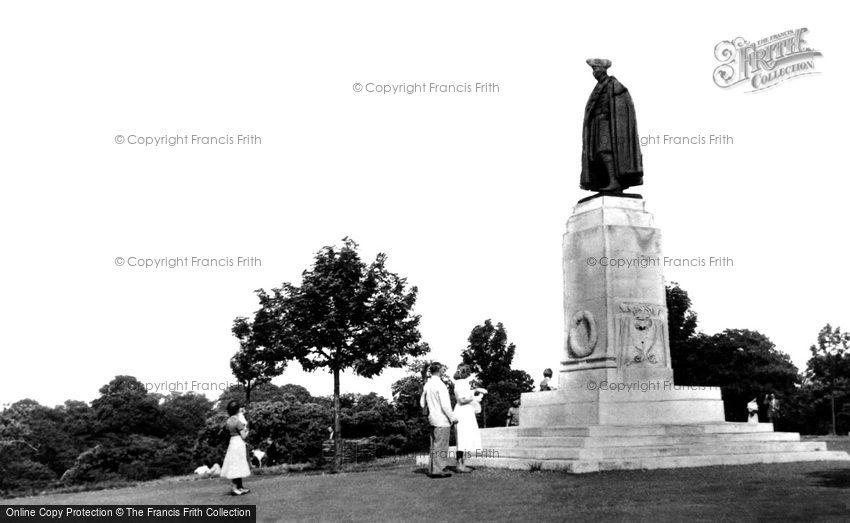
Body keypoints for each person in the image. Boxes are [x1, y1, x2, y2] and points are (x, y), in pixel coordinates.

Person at [420, 362, 457, 478]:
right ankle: (438, 470)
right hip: (442, 419)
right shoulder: (441, 385)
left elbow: (422, 403)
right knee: (441, 446)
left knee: (434, 445)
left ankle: (433, 469)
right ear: (440, 371)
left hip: (432, 418)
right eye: (442, 369)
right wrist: (453, 418)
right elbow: (446, 405)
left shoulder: (427, 384)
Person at [453, 364, 484, 473]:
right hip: (462, 412)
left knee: (465, 439)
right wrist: (474, 394)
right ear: (464, 372)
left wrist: (478, 395)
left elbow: (469, 396)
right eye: (468, 371)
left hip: (467, 411)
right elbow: (462, 399)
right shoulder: (458, 383)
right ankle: (459, 465)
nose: (469, 374)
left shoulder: (465, 383)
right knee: (461, 439)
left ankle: (462, 464)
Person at [220, 400, 251, 495]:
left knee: (236, 464)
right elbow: (244, 436)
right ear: (237, 410)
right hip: (239, 443)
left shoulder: (228, 421)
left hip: (232, 442)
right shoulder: (238, 421)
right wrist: (248, 429)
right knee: (239, 464)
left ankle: (239, 487)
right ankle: (235, 487)